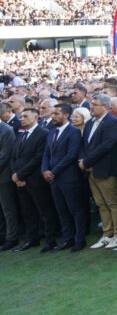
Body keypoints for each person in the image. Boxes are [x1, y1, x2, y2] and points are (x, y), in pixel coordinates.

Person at [79, 94, 117, 249]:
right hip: (91, 170)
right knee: (101, 203)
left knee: (112, 202)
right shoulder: (90, 122)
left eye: (95, 104)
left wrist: (87, 161)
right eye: (91, 104)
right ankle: (107, 234)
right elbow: (85, 145)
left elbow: (106, 146)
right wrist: (84, 162)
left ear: (105, 106)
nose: (91, 106)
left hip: (105, 169)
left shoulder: (112, 123)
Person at [11, 107, 60, 253]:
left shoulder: (43, 134)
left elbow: (38, 158)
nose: (22, 119)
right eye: (21, 116)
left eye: (26, 116)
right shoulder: (21, 134)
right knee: (28, 211)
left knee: (44, 210)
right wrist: (15, 173)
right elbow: (14, 156)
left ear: (35, 118)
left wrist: (20, 175)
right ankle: (32, 239)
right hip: (20, 180)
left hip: (35, 180)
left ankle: (50, 240)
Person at [41, 103, 87, 252]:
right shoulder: (51, 132)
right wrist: (44, 170)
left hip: (68, 177)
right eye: (52, 114)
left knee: (75, 210)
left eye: (56, 114)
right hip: (54, 178)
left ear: (66, 115)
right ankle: (68, 239)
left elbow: (71, 155)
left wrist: (53, 171)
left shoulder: (73, 132)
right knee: (61, 211)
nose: (53, 116)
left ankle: (80, 240)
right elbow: (46, 153)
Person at [0, 117, 18, 251]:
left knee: (8, 209)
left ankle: (11, 237)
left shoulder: (6, 130)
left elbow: (5, 156)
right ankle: (2, 235)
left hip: (4, 176)